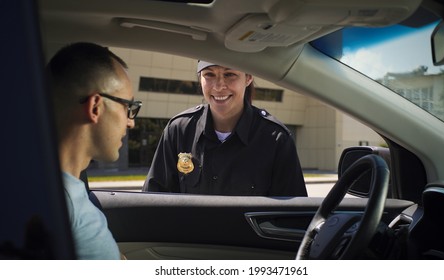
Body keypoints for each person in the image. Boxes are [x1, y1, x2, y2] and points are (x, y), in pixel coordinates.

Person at [142, 60, 307, 196]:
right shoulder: (178, 131)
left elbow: (291, 217)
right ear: (200, 78)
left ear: (248, 78)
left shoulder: (276, 139)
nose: (219, 86)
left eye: (230, 74)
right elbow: (154, 200)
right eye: (209, 74)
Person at [46, 42, 142, 259]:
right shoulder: (62, 208)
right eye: (128, 107)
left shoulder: (60, 194)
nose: (131, 123)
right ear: (95, 107)